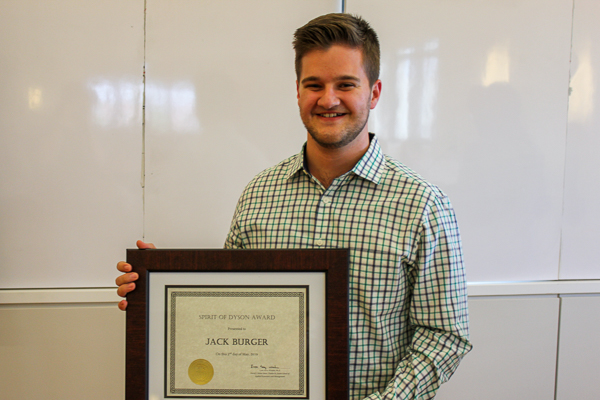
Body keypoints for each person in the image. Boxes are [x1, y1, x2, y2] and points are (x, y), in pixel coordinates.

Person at [116, 13, 471, 400]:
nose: (328, 99)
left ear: (374, 92)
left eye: (346, 84)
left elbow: (444, 336)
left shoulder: (422, 205)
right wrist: (157, 290)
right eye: (314, 84)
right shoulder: (259, 194)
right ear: (298, 92)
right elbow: (229, 308)